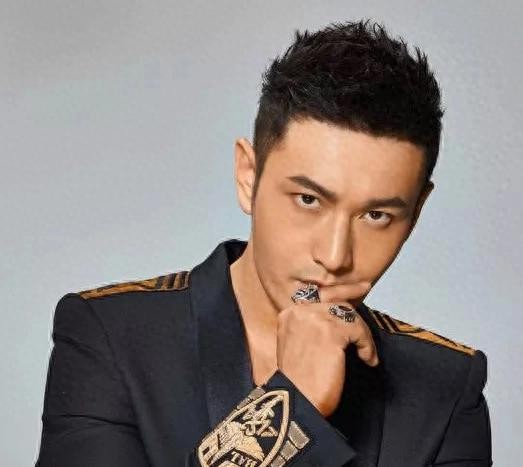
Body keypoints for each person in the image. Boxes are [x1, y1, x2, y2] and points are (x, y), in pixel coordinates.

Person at [35, 19, 492, 467]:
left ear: (415, 214)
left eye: (376, 216)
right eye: (308, 199)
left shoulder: (446, 389)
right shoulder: (111, 337)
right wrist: (288, 409)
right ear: (248, 176)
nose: (334, 256)